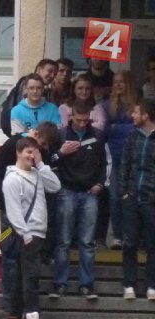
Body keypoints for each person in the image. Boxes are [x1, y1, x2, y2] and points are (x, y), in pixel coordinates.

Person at [0, 121, 60, 307]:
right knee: (9, 254)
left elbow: (53, 185)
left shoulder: (40, 156)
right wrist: (5, 206)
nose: (43, 149)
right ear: (36, 134)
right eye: (42, 143)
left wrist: (41, 163)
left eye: (46, 146)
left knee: (27, 264)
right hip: (9, 213)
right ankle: (8, 302)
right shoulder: (11, 145)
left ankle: (21, 304)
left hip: (31, 218)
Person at [49, 101, 107, 300]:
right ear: (71, 117)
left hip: (90, 192)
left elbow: (105, 163)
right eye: (78, 120)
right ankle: (60, 284)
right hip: (66, 191)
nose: (82, 124)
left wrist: (101, 184)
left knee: (87, 242)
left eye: (86, 120)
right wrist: (61, 153)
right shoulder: (61, 135)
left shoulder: (98, 135)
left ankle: (87, 285)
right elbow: (49, 162)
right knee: (63, 241)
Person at [3, 135, 61, 319]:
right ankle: (31, 317)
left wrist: (42, 165)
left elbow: (55, 186)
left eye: (34, 152)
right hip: (26, 235)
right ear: (18, 153)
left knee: (22, 276)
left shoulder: (37, 173)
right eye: (28, 152)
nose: (31, 156)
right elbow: (13, 210)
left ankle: (13, 316)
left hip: (39, 232)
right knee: (31, 277)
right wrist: (25, 233)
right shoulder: (12, 179)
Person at [116, 98, 155, 300]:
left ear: (146, 115)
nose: (132, 115)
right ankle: (129, 284)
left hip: (151, 199)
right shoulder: (132, 136)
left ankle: (151, 285)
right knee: (129, 242)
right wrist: (124, 192)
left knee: (152, 245)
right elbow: (124, 164)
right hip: (132, 197)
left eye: (136, 112)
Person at [103, 71, 138, 247]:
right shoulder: (106, 106)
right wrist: (126, 128)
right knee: (115, 196)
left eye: (122, 82)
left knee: (132, 197)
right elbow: (104, 129)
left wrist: (117, 128)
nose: (118, 85)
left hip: (133, 157)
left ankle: (132, 236)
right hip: (113, 157)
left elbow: (138, 129)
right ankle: (117, 236)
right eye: (115, 82)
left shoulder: (137, 106)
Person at [0, 58, 57, 138]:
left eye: (55, 74)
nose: (52, 76)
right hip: (21, 132)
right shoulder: (26, 84)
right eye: (50, 71)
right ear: (39, 69)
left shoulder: (47, 92)